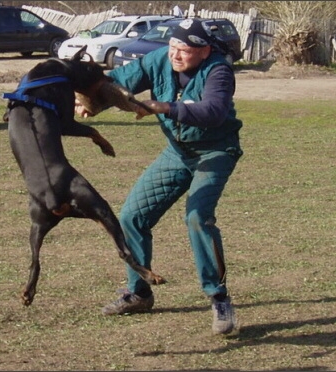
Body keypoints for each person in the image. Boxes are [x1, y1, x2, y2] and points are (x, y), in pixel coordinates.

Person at [76, 18, 243, 335]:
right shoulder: (158, 59)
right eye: (173, 47)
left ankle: (219, 298)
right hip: (177, 153)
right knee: (132, 216)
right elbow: (116, 83)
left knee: (198, 217)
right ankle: (138, 292)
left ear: (205, 51)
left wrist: (162, 107)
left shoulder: (219, 71)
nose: (176, 55)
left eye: (185, 50)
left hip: (215, 152)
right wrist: (92, 101)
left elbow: (214, 112)